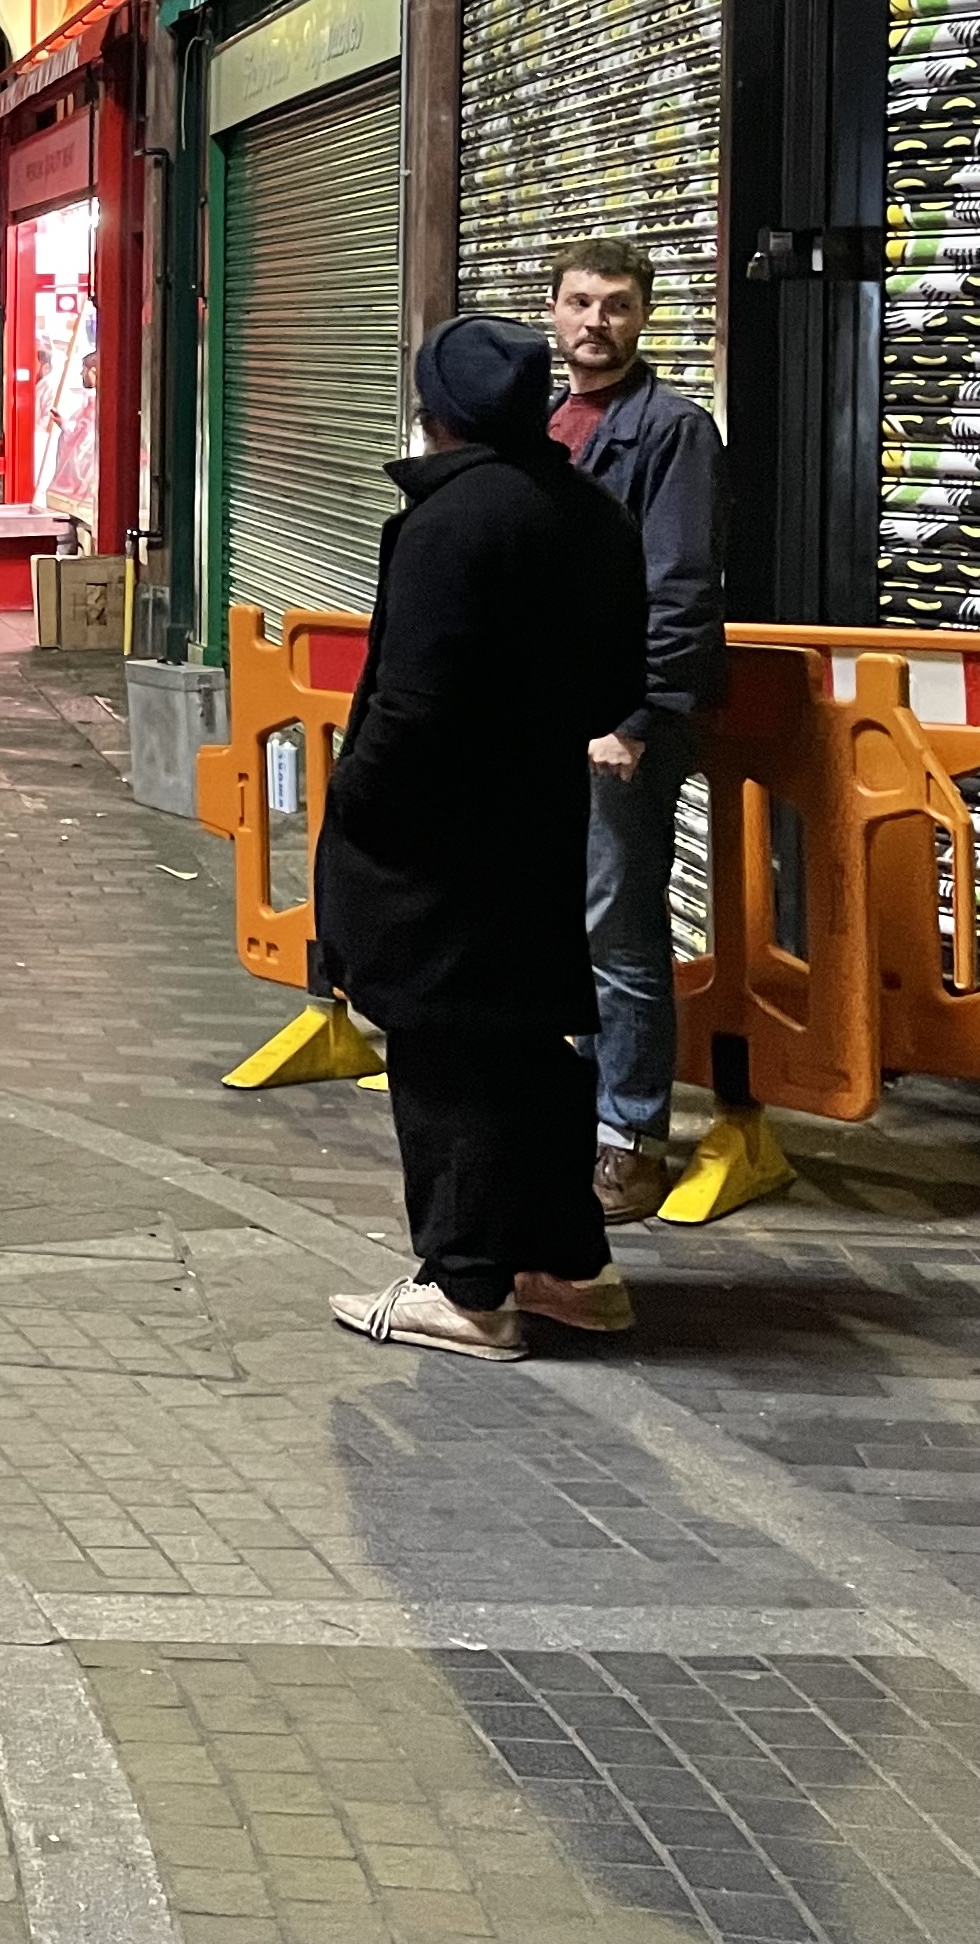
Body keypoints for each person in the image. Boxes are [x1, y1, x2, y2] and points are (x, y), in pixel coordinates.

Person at [319, 316, 650, 1361]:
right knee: (523, 1045)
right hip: (537, 824)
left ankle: (467, 1287)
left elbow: (410, 704)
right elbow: (616, 686)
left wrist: (357, 800)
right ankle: (569, 1269)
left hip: (435, 837)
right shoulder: (592, 514)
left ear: (437, 410)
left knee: (443, 1046)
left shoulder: (452, 523)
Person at [544, 236, 727, 1222]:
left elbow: (681, 586)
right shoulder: (540, 422)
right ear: (554, 311)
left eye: (615, 305)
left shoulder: (673, 429)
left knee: (618, 930)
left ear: (644, 316)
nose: (595, 324)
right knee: (555, 925)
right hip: (544, 719)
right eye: (579, 303)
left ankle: (629, 1136)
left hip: (619, 726)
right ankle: (570, 1112)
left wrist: (634, 716)